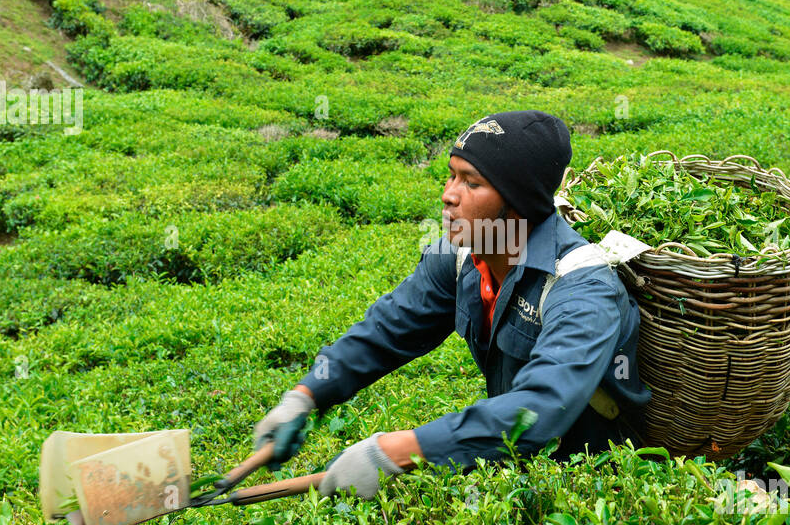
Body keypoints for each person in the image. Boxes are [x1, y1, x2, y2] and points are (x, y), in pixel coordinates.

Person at [252, 110, 651, 499]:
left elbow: (540, 407)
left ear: (517, 202)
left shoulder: (581, 286)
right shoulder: (463, 256)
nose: (448, 195)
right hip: (514, 463)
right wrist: (305, 396)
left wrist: (395, 452)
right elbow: (387, 329)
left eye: (471, 183)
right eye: (451, 174)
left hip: (598, 482)